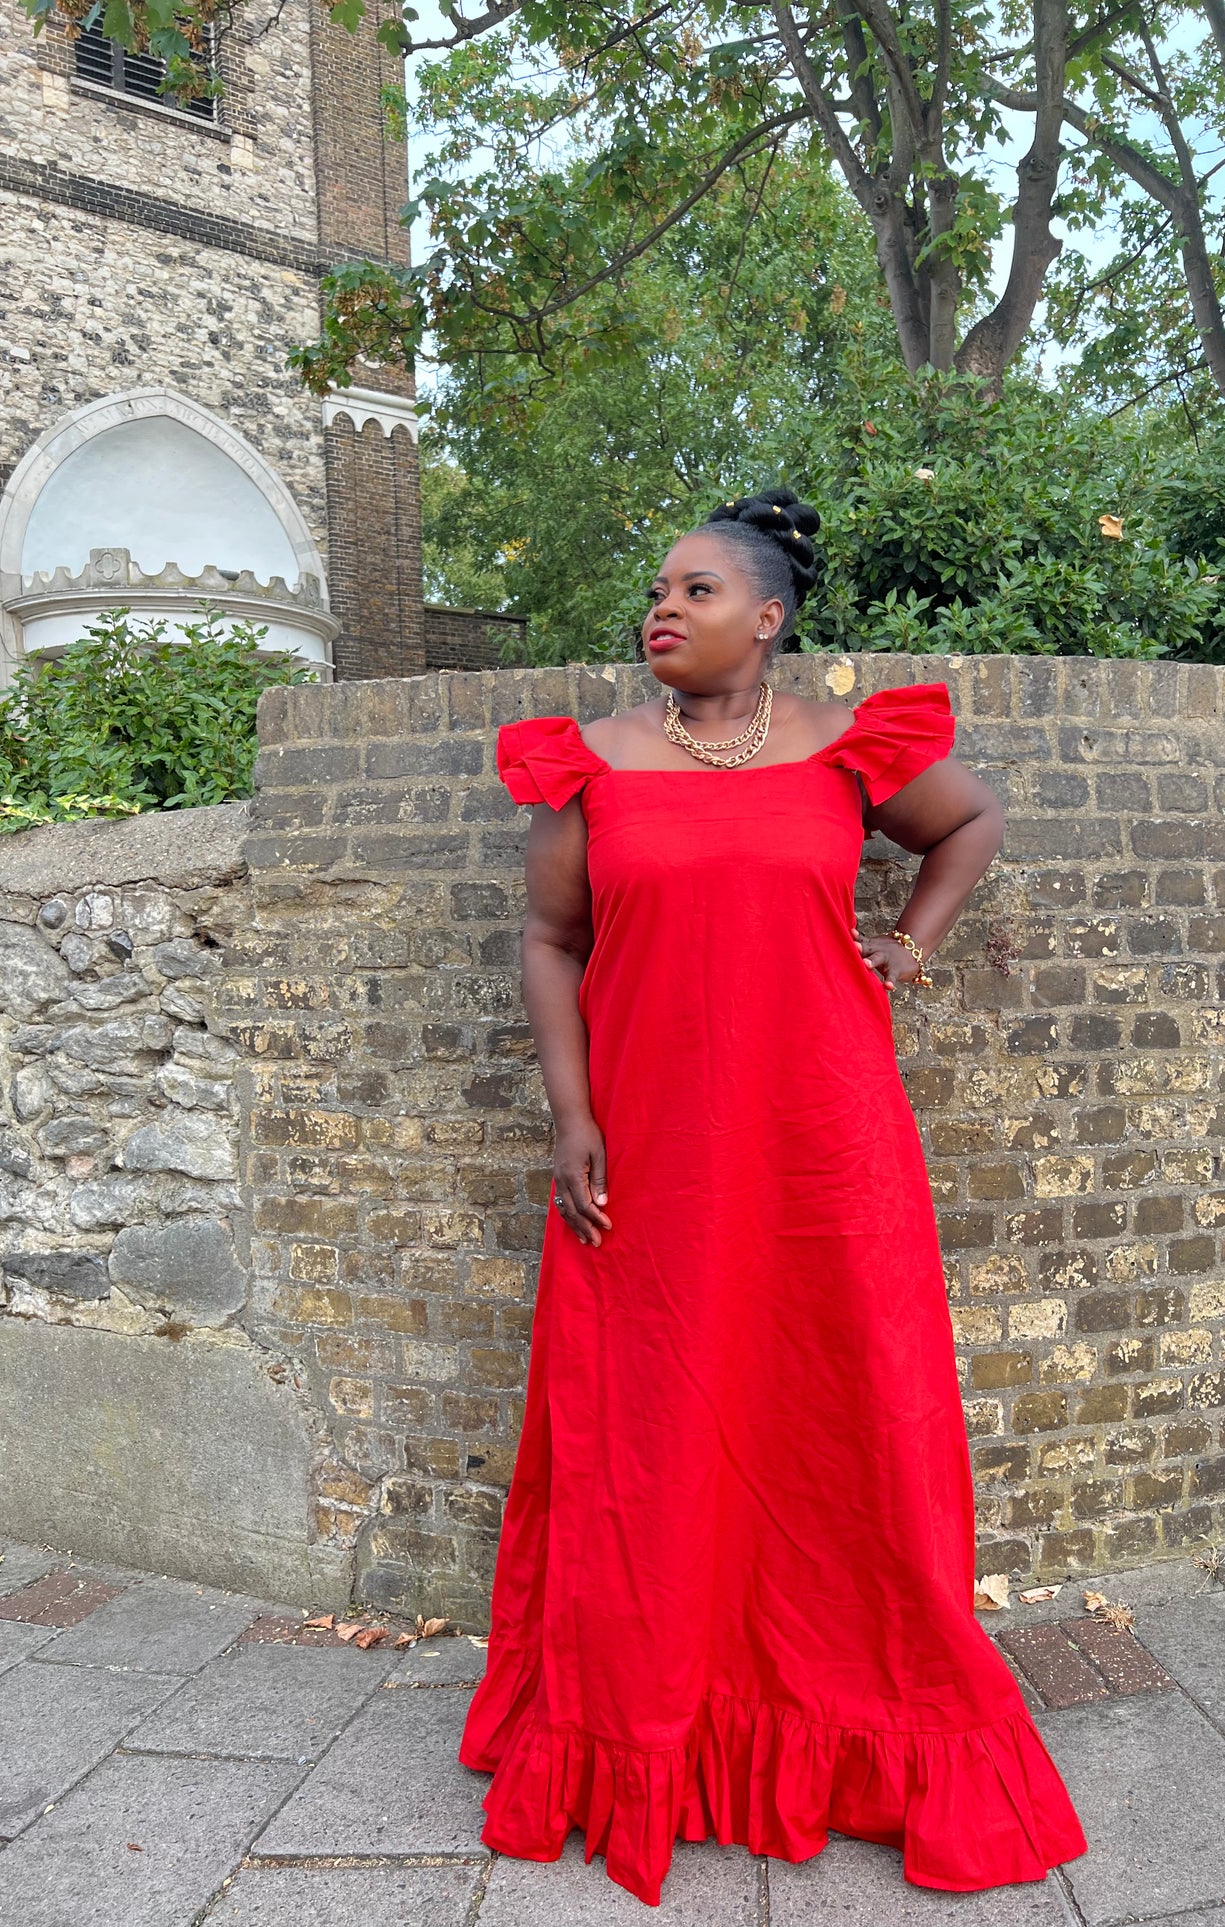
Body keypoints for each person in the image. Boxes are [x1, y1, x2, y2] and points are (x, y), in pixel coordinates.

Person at [457, 487, 1089, 1906]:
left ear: (768, 617)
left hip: (823, 1146)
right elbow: (550, 939)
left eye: (693, 590)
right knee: (650, 1428)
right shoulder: (596, 765)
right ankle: (648, 1722)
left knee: (838, 1411)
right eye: (656, 592)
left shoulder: (843, 750)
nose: (660, 610)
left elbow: (967, 822)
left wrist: (907, 951)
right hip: (655, 1153)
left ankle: (852, 1723)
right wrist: (572, 1115)